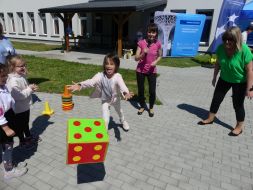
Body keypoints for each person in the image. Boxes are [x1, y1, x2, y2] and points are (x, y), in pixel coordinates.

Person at [198, 26, 253, 136]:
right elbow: (218, 63)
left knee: (237, 104)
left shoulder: (244, 50)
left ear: (236, 39)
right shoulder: (220, 48)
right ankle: (210, 118)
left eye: (230, 39)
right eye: (225, 39)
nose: (227, 42)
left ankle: (239, 127)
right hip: (224, 79)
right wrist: (214, 77)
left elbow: (250, 70)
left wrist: (250, 88)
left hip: (240, 81)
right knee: (216, 99)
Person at [67, 53, 133, 130]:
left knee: (119, 112)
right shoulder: (100, 75)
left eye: (111, 64)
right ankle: (104, 136)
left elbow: (122, 86)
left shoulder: (117, 76)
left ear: (116, 66)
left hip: (115, 100)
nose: (109, 66)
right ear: (104, 65)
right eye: (107, 64)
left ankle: (123, 121)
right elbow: (91, 82)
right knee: (105, 120)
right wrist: (80, 85)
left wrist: (125, 93)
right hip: (105, 100)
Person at [0, 64, 28, 179]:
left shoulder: (2, 85)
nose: (5, 78)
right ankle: (9, 170)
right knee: (8, 145)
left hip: (7, 116)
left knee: (4, 145)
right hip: (2, 124)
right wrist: (6, 128)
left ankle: (6, 162)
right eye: (2, 76)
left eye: (6, 75)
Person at [6, 55, 39, 148]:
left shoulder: (21, 75)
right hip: (18, 108)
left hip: (25, 106)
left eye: (24, 65)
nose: (24, 67)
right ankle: (22, 141)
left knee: (26, 122)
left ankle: (28, 136)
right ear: (12, 67)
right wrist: (29, 89)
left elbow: (25, 86)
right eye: (21, 66)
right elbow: (19, 96)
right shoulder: (12, 81)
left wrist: (31, 88)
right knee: (20, 125)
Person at [134, 23, 162, 117]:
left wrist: (156, 62)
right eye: (150, 32)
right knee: (141, 90)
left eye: (153, 32)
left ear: (156, 33)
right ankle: (142, 106)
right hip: (140, 71)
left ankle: (151, 107)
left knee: (152, 91)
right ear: (147, 32)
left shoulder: (158, 43)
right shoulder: (141, 43)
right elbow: (136, 58)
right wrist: (142, 54)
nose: (151, 34)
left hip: (152, 71)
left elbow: (160, 55)